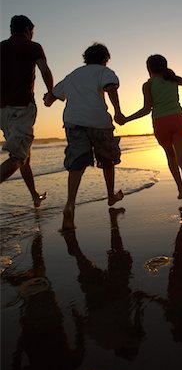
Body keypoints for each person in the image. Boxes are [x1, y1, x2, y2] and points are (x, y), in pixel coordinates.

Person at [43, 42, 125, 230]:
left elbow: (49, 100)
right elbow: (111, 88)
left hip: (74, 123)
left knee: (77, 162)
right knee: (107, 160)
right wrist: (118, 112)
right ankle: (111, 196)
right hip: (99, 122)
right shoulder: (104, 71)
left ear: (85, 59)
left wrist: (48, 98)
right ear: (105, 59)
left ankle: (70, 204)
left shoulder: (72, 75)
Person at [119, 54, 182, 217]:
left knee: (170, 156)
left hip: (161, 123)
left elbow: (146, 109)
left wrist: (126, 119)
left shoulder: (147, 85)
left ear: (149, 69)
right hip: (178, 120)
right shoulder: (173, 79)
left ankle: (180, 188)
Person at [0, 15, 54, 207]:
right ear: (27, 29)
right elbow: (45, 70)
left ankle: (34, 196)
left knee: (24, 156)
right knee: (18, 157)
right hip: (21, 107)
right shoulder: (33, 47)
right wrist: (51, 93)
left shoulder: (1, 47)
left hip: (2, 112)